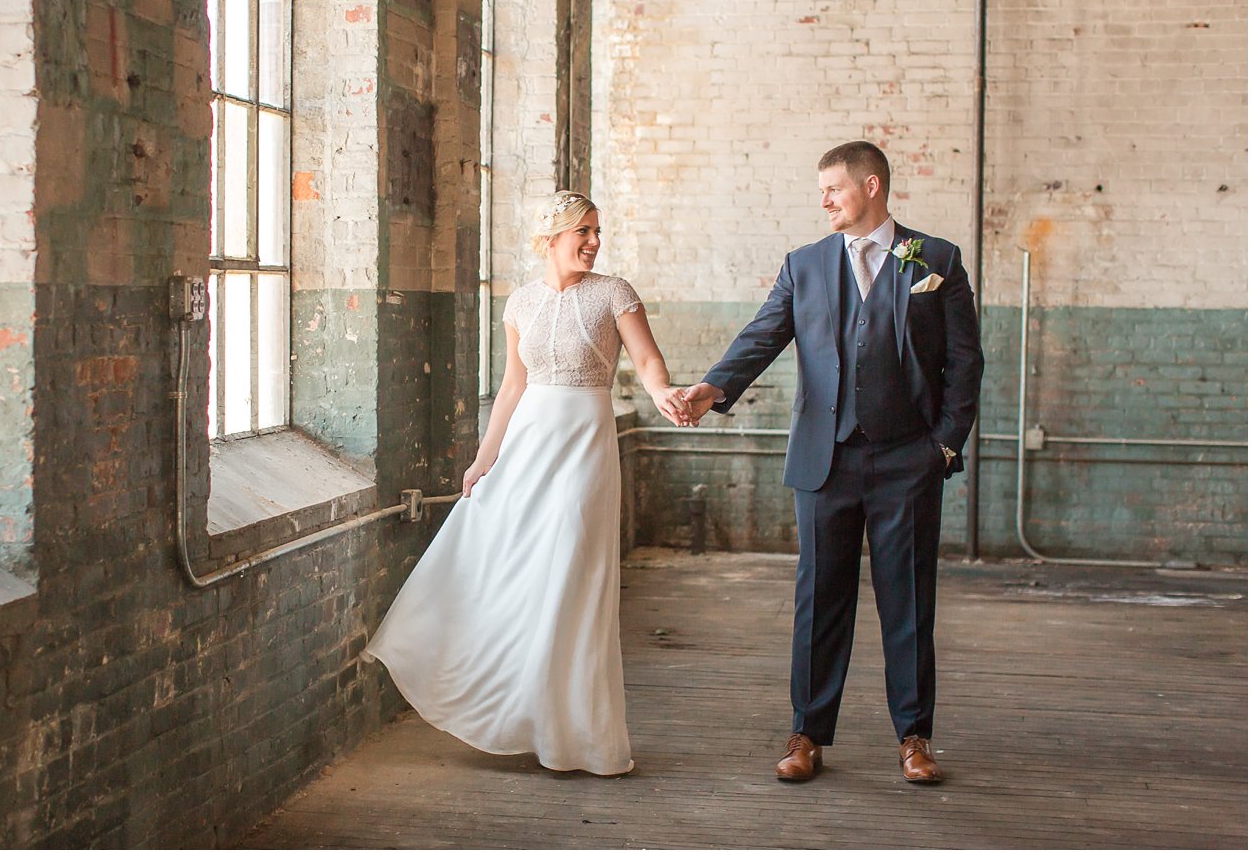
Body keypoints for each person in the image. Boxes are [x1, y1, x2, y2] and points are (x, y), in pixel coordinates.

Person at [671, 141, 983, 784]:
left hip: (908, 460)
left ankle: (915, 738)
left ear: (872, 186)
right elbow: (763, 336)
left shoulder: (935, 259)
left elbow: (965, 363)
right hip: (825, 460)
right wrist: (712, 388)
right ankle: (807, 735)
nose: (824, 200)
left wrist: (943, 448)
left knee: (909, 601)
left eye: (834, 188)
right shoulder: (805, 265)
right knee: (820, 599)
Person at [364, 190, 688, 776]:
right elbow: (513, 387)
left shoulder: (615, 293)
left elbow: (645, 362)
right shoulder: (520, 303)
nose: (594, 241)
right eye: (583, 231)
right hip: (527, 443)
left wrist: (663, 393)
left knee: (573, 574)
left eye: (597, 231)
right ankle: (518, 712)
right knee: (509, 565)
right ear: (552, 239)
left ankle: (578, 736)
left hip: (585, 443)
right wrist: (484, 459)